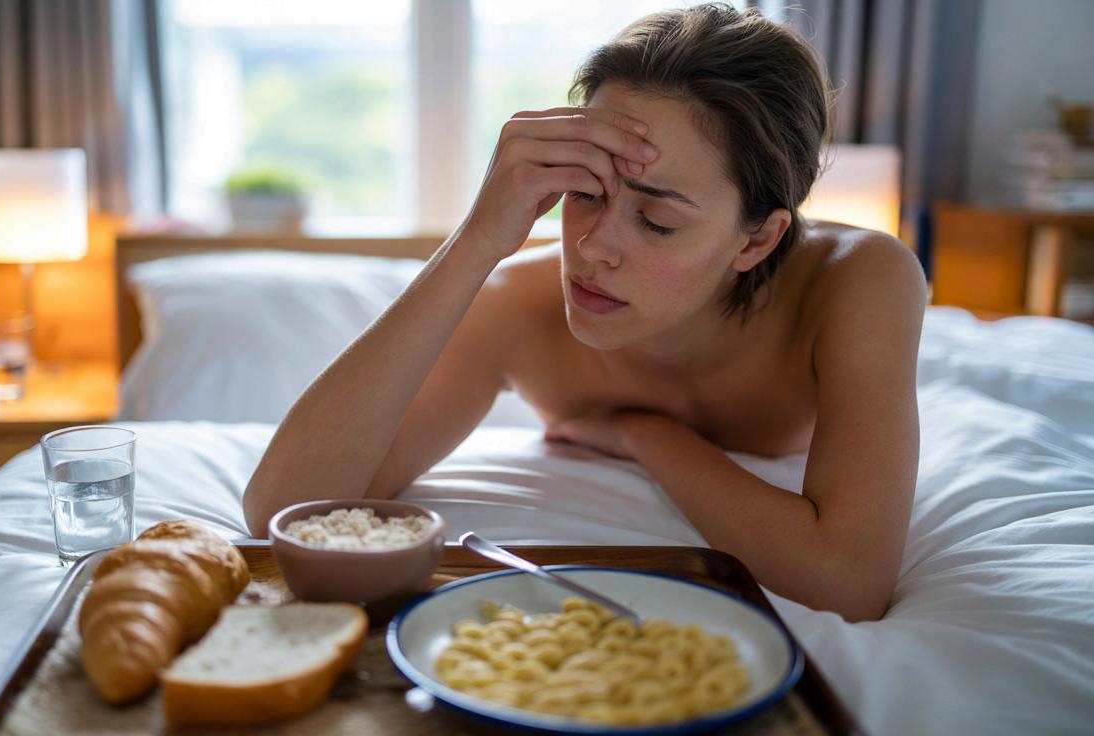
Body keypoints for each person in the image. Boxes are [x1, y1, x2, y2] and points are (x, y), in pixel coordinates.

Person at [243, 3, 927, 623]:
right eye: (584, 193)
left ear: (757, 238)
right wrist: (478, 240)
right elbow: (284, 511)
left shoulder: (857, 283)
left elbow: (849, 584)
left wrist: (645, 437)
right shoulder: (518, 305)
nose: (593, 249)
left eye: (656, 220)